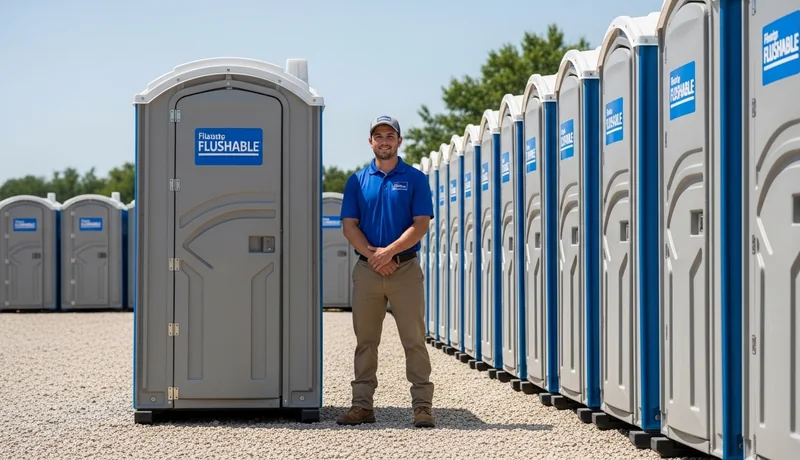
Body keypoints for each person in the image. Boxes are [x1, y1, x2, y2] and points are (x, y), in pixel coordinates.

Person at [336, 115, 435, 428]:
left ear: (399, 141)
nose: (384, 141)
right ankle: (362, 406)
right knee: (366, 341)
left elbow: (421, 224)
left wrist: (389, 252)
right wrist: (374, 256)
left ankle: (422, 408)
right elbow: (349, 226)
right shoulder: (357, 181)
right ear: (370, 142)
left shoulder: (416, 179)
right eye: (378, 136)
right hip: (367, 270)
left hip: (405, 269)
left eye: (389, 135)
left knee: (414, 340)